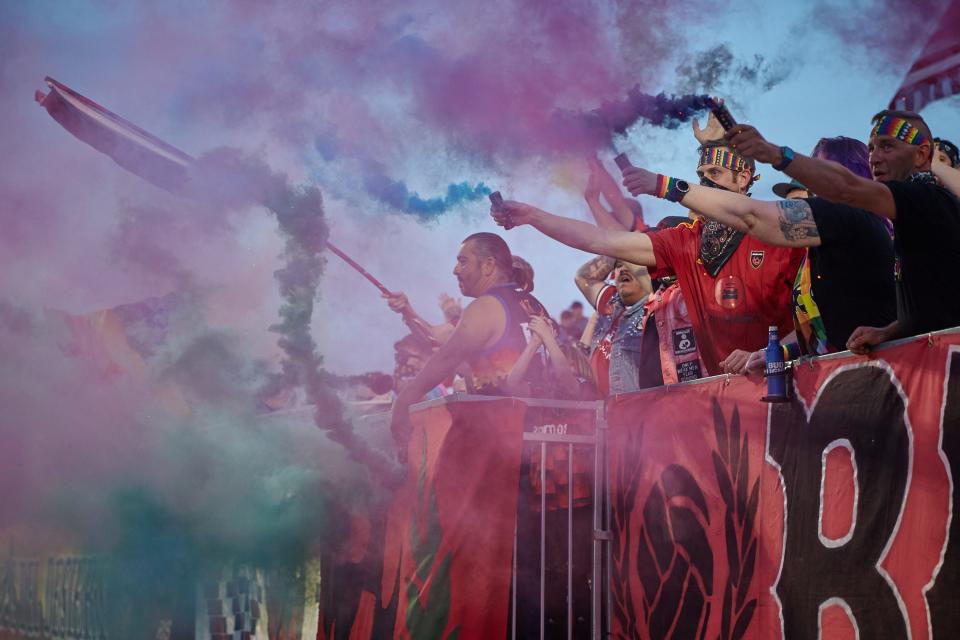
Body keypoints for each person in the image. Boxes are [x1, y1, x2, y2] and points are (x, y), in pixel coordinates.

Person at [491, 143, 803, 376]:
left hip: (789, 389)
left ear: (743, 178)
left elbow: (815, 322)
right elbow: (600, 240)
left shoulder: (779, 234)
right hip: (718, 400)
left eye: (715, 174)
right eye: (701, 175)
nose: (705, 183)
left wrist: (771, 354)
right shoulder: (685, 240)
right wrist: (533, 215)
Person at [621, 136, 897, 368]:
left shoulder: (852, 218)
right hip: (832, 379)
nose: (810, 181)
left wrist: (663, 186)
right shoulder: (823, 241)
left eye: (819, 169)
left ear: (848, 173)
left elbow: (752, 217)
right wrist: (769, 354)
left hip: (874, 374)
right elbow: (816, 329)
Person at [720, 109, 960, 351]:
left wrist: (775, 154)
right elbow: (936, 301)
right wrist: (889, 331)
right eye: (871, 148)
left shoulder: (926, 198)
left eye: (887, 146)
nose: (874, 158)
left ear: (920, 155)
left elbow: (844, 188)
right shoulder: (913, 213)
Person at [389, 232, 554, 443]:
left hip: (504, 440)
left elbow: (445, 358)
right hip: (541, 436)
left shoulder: (486, 307)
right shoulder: (534, 304)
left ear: (488, 266)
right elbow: (439, 338)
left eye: (463, 262)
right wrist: (407, 311)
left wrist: (402, 404)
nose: (455, 270)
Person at [505, 315, 597, 399]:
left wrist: (546, 335)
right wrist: (535, 342)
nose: (556, 367)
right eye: (552, 364)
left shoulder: (586, 386)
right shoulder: (547, 387)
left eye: (569, 364)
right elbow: (512, 384)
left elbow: (564, 374)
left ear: (579, 365)